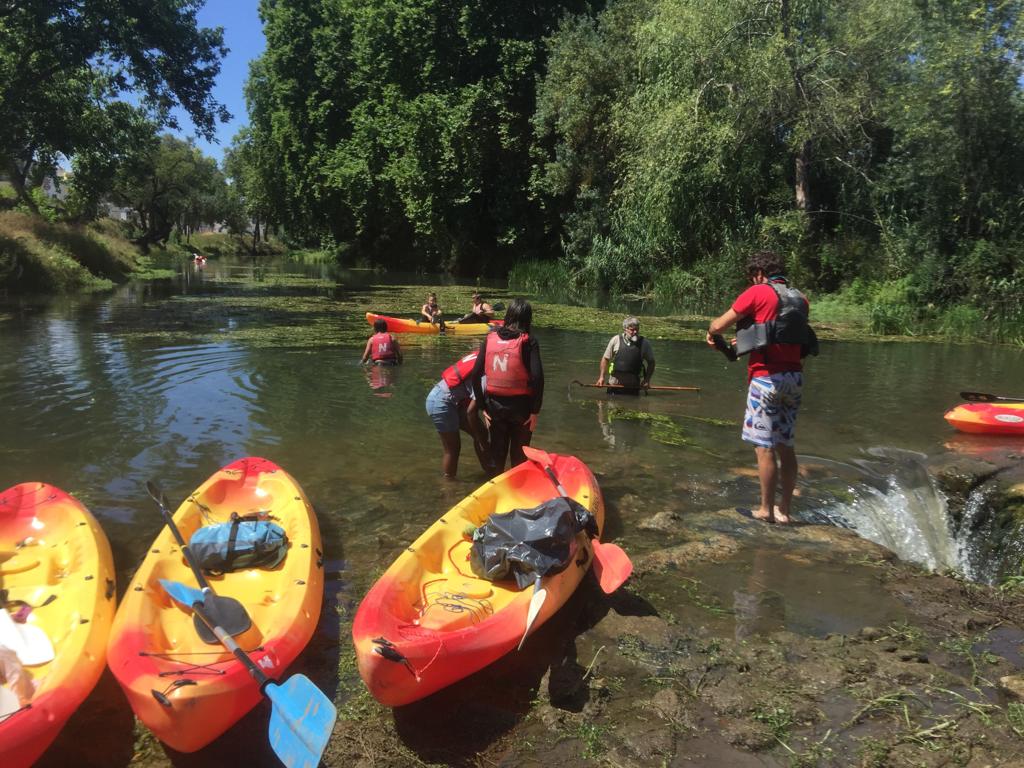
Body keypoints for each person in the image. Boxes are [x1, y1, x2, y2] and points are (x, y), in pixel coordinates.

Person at [705, 250, 815, 524]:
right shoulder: (800, 299)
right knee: (785, 445)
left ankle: (765, 511)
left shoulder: (757, 292)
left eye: (753, 276)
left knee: (763, 447)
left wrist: (712, 333)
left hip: (766, 379)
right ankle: (785, 512)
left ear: (759, 274)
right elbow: (775, 334)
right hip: (794, 379)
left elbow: (720, 324)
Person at [470, 298, 543, 475]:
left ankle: (495, 492)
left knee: (497, 458)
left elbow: (475, 375)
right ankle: (518, 494)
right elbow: (537, 378)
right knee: (519, 459)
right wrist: (535, 412)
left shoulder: (490, 339)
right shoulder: (529, 341)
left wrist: (483, 407)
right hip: (521, 410)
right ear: (527, 319)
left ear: (508, 316)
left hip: (495, 408)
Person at [425, 349, 491, 478]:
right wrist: (482, 441)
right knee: (453, 449)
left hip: (450, 400)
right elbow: (471, 412)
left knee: (482, 433)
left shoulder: (484, 357)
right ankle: (449, 485)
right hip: (441, 401)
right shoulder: (486, 374)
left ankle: (489, 472)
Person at [596, 316, 655, 394]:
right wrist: (601, 377)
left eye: (637, 329)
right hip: (614, 384)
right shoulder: (616, 340)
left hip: (633, 386)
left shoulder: (644, 343)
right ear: (625, 329)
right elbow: (605, 359)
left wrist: (647, 380)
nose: (635, 332)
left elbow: (651, 362)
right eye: (632, 330)